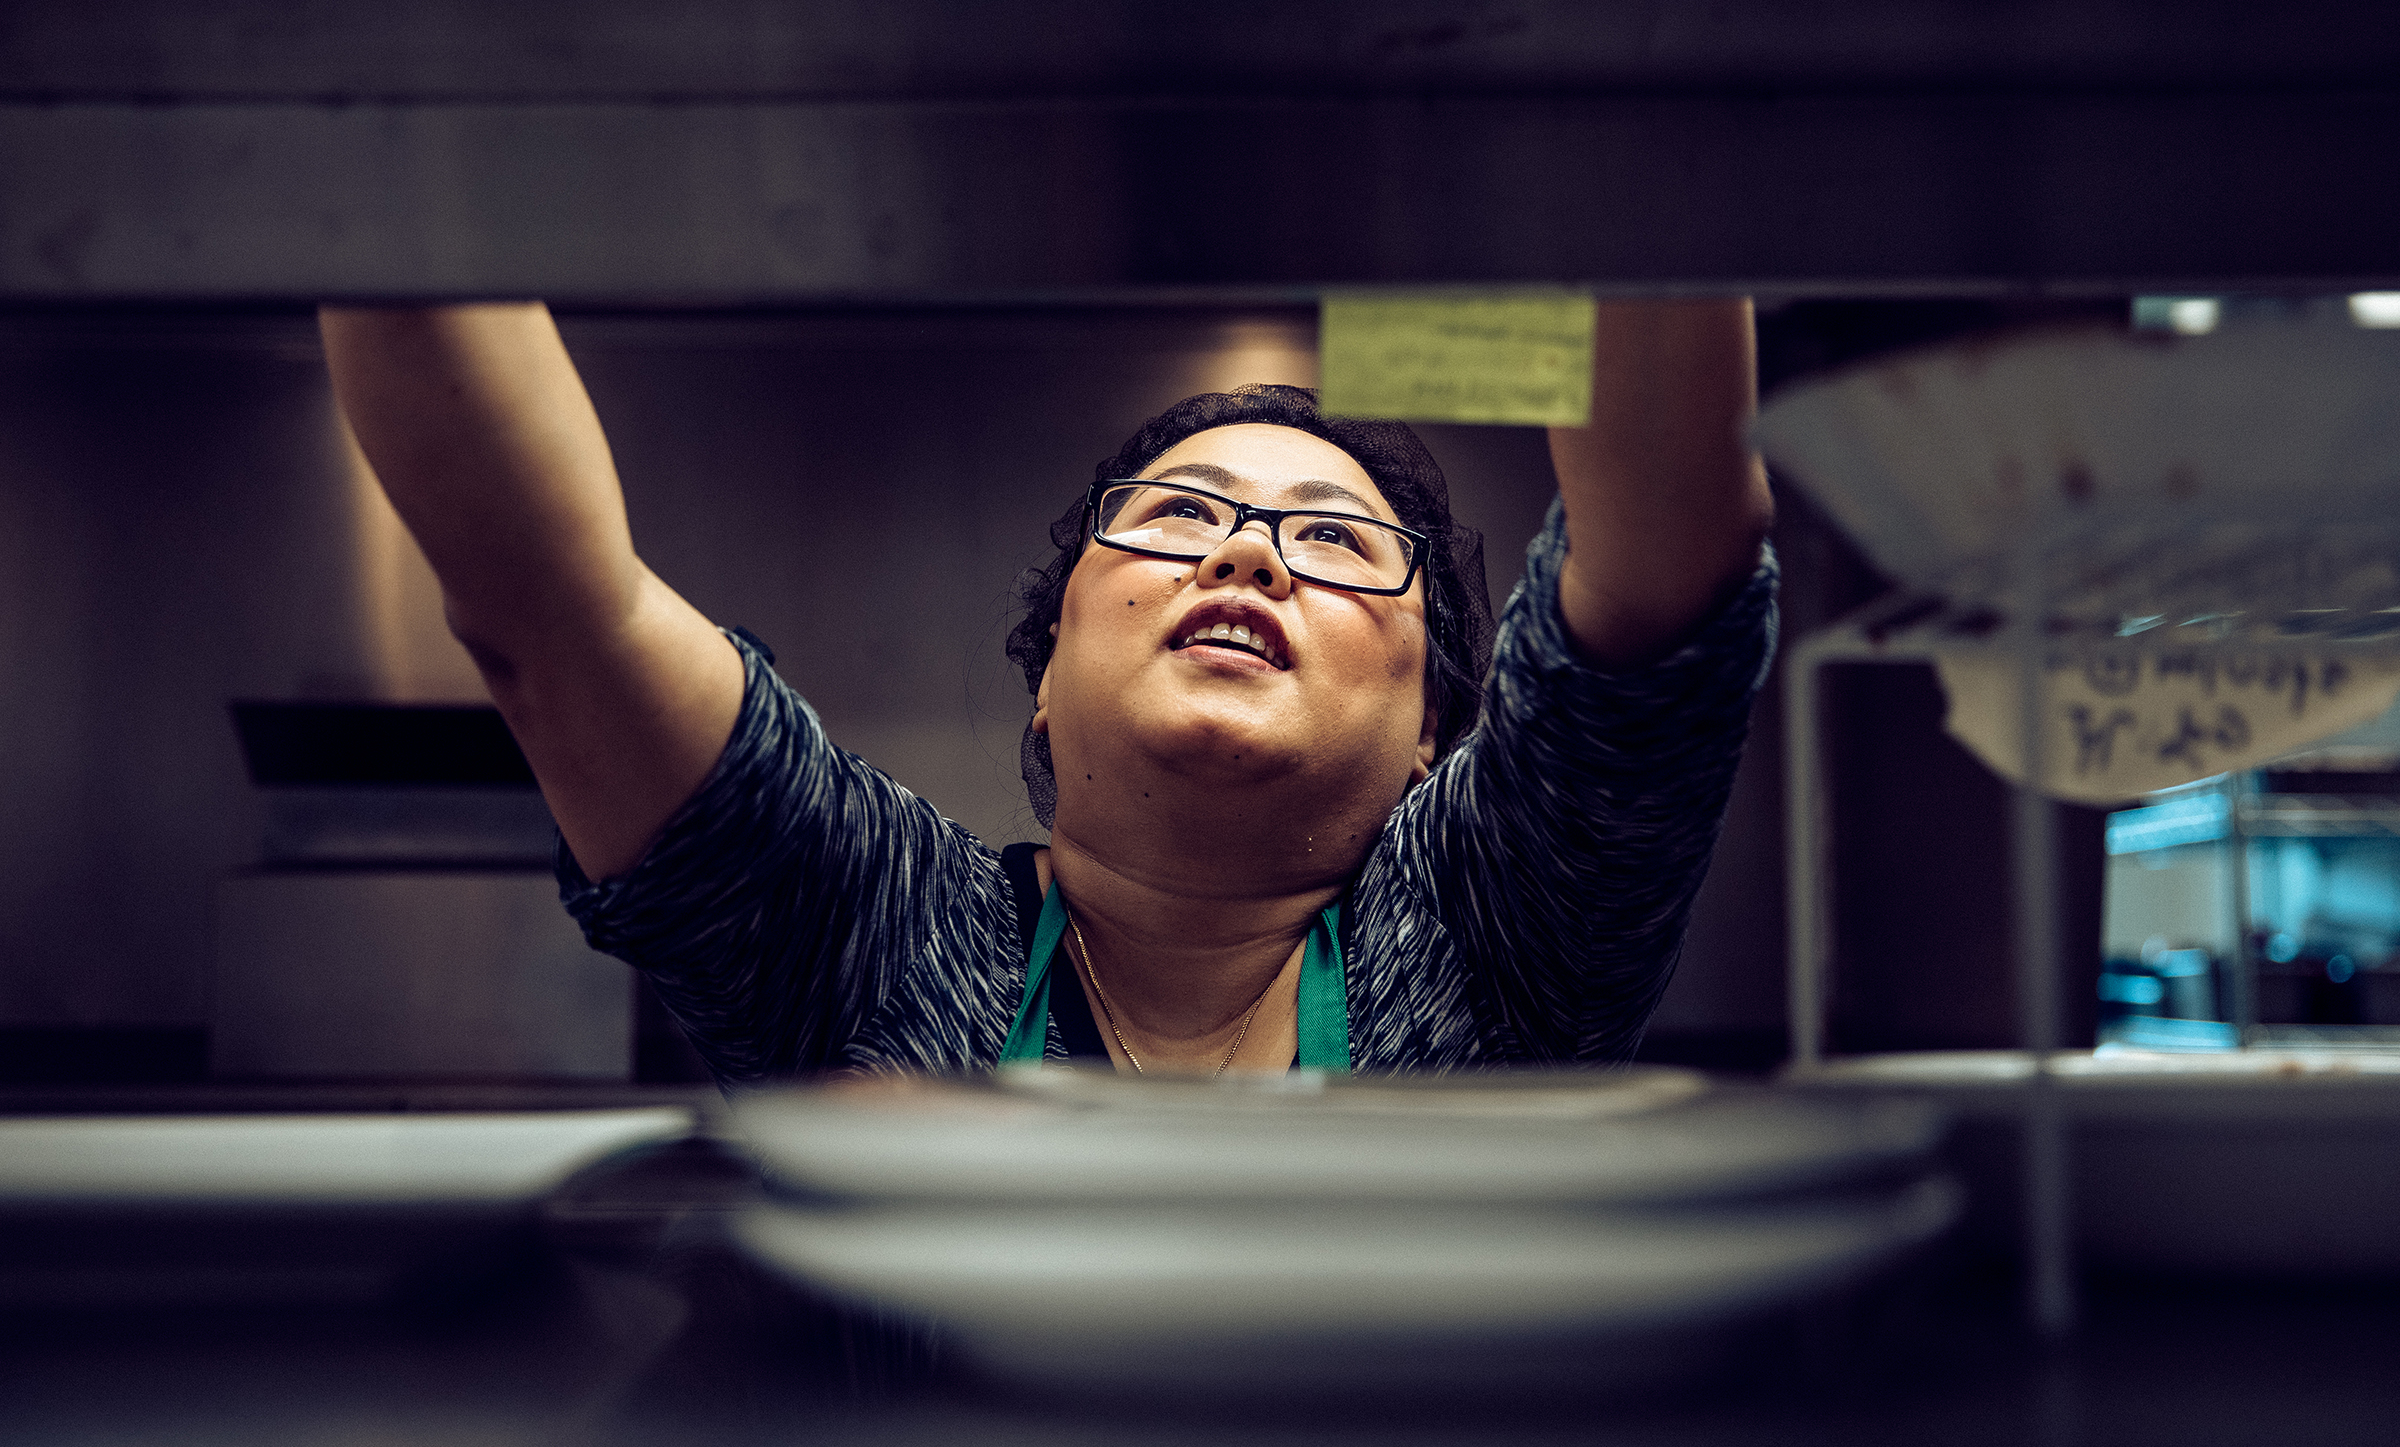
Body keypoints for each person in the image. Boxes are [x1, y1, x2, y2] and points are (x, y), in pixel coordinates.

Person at [319, 301, 1775, 1079]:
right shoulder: (868, 927)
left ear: (1431, 743)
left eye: (1333, 541)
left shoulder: (1496, 931)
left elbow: (1671, 550)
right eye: (1178, 516)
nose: (1249, 558)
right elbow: (551, 612)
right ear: (1047, 680)